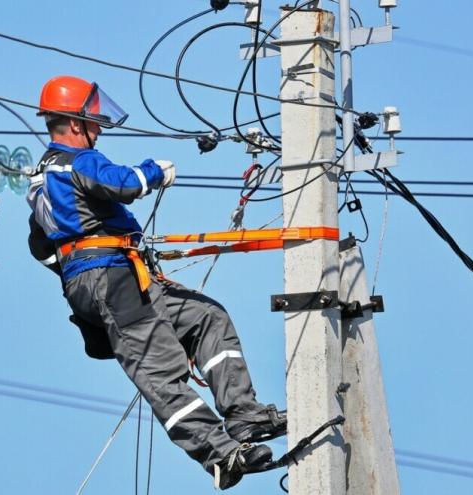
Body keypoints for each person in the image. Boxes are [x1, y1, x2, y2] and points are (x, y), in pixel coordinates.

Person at [25, 75, 286, 490]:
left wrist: (81, 273)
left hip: (112, 278)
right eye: (93, 121)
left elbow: (39, 247)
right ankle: (220, 455)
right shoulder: (79, 161)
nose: (97, 129)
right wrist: (153, 172)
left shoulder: (41, 178)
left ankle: (245, 415)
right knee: (161, 370)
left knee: (205, 317)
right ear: (75, 123)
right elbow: (122, 183)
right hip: (113, 279)